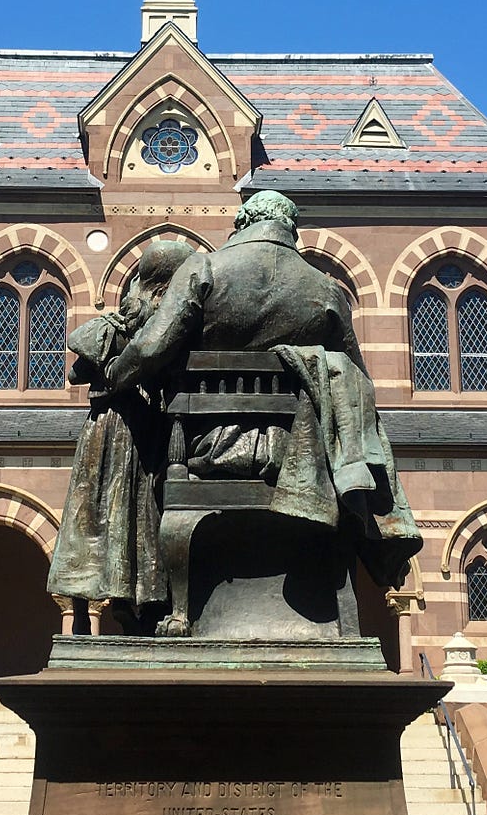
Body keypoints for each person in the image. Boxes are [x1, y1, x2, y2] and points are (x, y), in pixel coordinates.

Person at [106, 191, 420, 590]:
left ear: (243, 223)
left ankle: (174, 606)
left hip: (208, 447)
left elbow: (151, 347)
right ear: (291, 229)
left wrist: (116, 373)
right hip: (305, 451)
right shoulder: (326, 290)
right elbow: (357, 378)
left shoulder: (205, 268)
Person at [45, 240, 196, 620]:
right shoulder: (143, 330)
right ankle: (102, 609)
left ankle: (112, 610)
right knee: (105, 515)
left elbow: (77, 373)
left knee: (119, 516)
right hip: (127, 432)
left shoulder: (139, 330)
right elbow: (76, 372)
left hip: (130, 433)